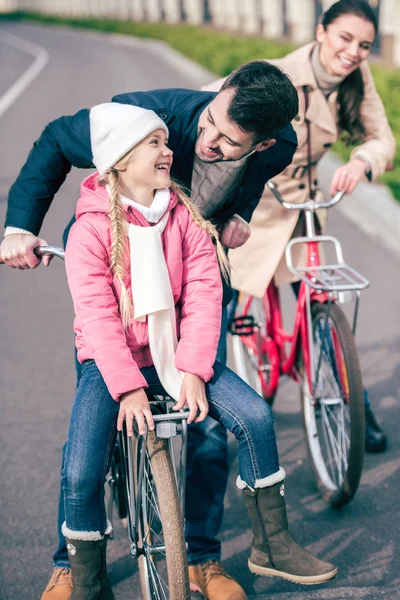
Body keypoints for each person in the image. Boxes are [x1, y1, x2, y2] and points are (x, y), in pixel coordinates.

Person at [0, 62, 299, 599]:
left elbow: (246, 185)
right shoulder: (145, 118)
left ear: (261, 143)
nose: (206, 142)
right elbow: (52, 141)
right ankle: (70, 561)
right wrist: (21, 226)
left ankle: (202, 558)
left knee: (207, 417)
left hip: (193, 262)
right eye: (209, 124)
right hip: (116, 272)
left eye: (228, 142)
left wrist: (237, 214)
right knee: (91, 424)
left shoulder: (277, 146)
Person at [56, 102, 338, 598]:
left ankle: (271, 545)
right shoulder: (89, 231)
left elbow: (207, 294)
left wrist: (191, 369)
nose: (170, 152)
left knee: (254, 416)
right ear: (120, 158)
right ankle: (86, 579)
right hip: (113, 363)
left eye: (166, 142)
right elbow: (98, 320)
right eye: (155, 144)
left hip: (178, 353)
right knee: (82, 466)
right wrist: (126, 390)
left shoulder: (186, 217)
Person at [203, 0, 395, 454]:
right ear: (322, 31)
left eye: (365, 45)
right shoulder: (277, 74)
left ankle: (352, 405)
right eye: (345, 38)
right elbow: (208, 102)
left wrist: (363, 161)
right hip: (255, 207)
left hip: (305, 207)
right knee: (219, 308)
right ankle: (210, 425)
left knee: (321, 303)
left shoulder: (355, 78)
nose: (353, 52)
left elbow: (381, 136)